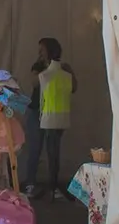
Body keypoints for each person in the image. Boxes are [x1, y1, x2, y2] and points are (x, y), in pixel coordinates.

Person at [22, 37, 77, 201]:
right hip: (36, 112)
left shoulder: (64, 68)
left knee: (53, 151)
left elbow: (73, 87)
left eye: (42, 50)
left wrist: (64, 73)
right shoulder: (38, 67)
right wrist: (45, 72)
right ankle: (30, 184)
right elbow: (34, 83)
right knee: (35, 148)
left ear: (51, 50)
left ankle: (53, 187)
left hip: (55, 113)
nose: (39, 53)